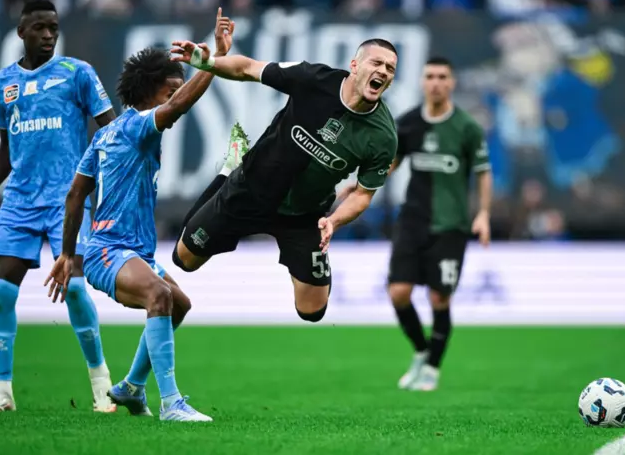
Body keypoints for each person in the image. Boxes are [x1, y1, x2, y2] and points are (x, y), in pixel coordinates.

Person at [44, 8, 234, 422]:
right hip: (110, 251)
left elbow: (76, 195)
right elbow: (179, 107)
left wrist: (67, 253)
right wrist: (216, 61)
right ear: (149, 91)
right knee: (159, 296)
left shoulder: (105, 135)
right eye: (170, 89)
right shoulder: (136, 127)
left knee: (179, 305)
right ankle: (171, 404)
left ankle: (130, 387)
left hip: (127, 251)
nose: (175, 95)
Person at [0, 0, 117, 412]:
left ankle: (101, 384)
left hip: (68, 201)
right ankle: (2, 393)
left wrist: (110, 182)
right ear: (21, 32)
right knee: (1, 293)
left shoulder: (77, 73)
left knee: (75, 288)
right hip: (20, 203)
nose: (48, 35)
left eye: (53, 28)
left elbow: (111, 130)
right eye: (40, 28)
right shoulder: (2, 84)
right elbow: (7, 148)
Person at [168, 37, 399, 322]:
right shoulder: (313, 79)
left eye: (390, 68)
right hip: (249, 191)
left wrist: (334, 221)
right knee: (184, 260)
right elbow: (247, 68)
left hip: (305, 215)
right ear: (355, 65)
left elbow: (363, 194)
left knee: (312, 311)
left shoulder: (384, 136)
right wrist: (209, 62)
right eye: (377, 63)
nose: (383, 71)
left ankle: (300, 261)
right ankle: (227, 172)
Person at [357, 56, 492, 391]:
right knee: (398, 292)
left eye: (442, 77)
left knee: (439, 299)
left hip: (450, 225)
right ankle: (421, 349)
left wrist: (483, 214)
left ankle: (432, 368)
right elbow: (391, 163)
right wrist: (362, 186)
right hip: (412, 220)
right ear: (422, 82)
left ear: (452, 83)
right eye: (430, 76)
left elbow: (483, 172)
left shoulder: (467, 127)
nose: (436, 82)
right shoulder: (408, 123)